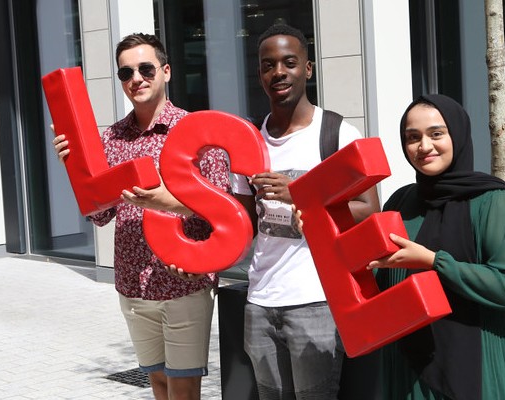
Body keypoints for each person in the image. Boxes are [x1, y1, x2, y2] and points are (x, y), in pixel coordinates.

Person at [52, 33, 229, 400]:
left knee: (183, 390)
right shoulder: (113, 138)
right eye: (126, 72)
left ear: (165, 71)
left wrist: (168, 202)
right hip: (133, 284)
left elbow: (223, 210)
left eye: (146, 68)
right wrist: (73, 167)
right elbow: (101, 216)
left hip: (184, 282)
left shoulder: (195, 132)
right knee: (159, 386)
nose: (136, 78)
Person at [231, 24, 380, 399]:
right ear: (260, 75)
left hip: (317, 301)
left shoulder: (338, 133)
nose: (278, 72)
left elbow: (368, 210)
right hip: (261, 301)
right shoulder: (247, 142)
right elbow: (241, 224)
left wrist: (301, 195)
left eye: (289, 62)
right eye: (268, 65)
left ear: (308, 69)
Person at [368, 94, 505, 400]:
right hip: (409, 374)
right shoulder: (400, 202)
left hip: (479, 370)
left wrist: (435, 262)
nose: (424, 146)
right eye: (412, 137)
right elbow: (378, 280)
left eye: (436, 134)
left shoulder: (494, 202)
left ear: (458, 134)